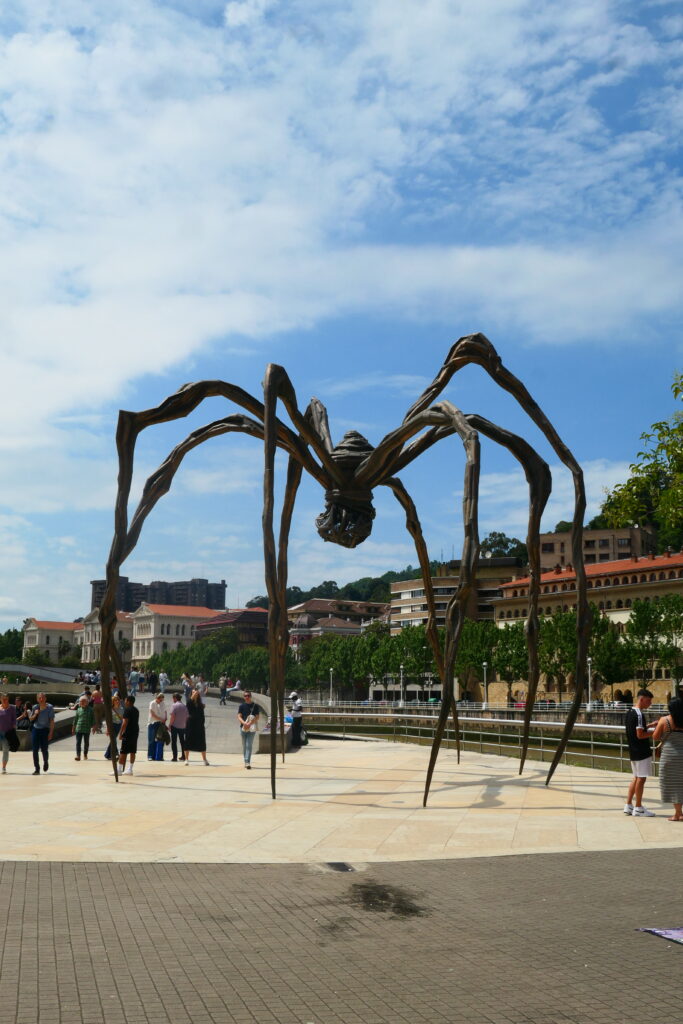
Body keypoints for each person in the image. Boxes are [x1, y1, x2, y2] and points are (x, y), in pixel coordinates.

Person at [624, 688, 658, 816]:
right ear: (641, 699)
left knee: (636, 777)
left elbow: (634, 730)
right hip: (641, 751)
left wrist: (648, 726)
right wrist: (655, 731)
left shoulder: (630, 712)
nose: (650, 704)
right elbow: (640, 734)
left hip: (633, 750)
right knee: (641, 778)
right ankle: (638, 807)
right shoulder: (639, 714)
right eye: (648, 701)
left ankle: (628, 805)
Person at [652, 697, 683, 822]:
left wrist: (657, 725)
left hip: (669, 756)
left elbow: (655, 737)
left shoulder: (665, 720)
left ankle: (678, 814)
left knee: (672, 784)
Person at [29, 693, 55, 775]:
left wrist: (51, 732)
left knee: (44, 749)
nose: (41, 699)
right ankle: (37, 768)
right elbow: (31, 719)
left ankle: (46, 762)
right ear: (37, 699)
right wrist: (36, 713)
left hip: (45, 730)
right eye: (39, 698)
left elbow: (51, 721)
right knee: (35, 750)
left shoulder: (50, 707)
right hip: (35, 730)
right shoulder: (35, 707)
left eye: (42, 698)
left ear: (45, 698)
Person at [185, 690, 209, 765]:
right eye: (193, 693)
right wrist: (195, 692)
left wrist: (202, 724)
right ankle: (186, 759)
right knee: (188, 740)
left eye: (195, 693)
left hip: (199, 725)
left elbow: (202, 715)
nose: (195, 694)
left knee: (202, 742)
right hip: (190, 724)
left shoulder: (200, 704)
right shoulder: (189, 703)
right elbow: (189, 702)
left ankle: (204, 759)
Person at [116, 695, 139, 775]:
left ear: (128, 701)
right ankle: (130, 769)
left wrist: (121, 733)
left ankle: (119, 770)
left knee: (123, 751)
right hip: (135, 731)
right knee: (133, 751)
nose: (124, 702)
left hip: (128, 732)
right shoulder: (136, 710)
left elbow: (125, 722)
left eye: (125, 701)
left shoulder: (127, 710)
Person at [237, 690, 259, 769]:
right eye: (245, 696)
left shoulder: (255, 706)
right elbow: (239, 716)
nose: (247, 697)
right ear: (243, 697)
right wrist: (244, 723)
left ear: (250, 696)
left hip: (251, 728)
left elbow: (257, 717)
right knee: (244, 746)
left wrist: (249, 723)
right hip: (243, 728)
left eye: (248, 696)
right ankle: (246, 760)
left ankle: (247, 762)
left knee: (248, 745)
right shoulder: (241, 706)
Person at [72, 695, 95, 761]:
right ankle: (78, 755)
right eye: (80, 701)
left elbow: (93, 719)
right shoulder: (78, 709)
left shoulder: (91, 710)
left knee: (86, 743)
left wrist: (94, 727)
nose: (81, 703)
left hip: (87, 729)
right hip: (79, 728)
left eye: (82, 701)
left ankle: (85, 754)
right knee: (78, 743)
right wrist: (73, 727)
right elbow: (75, 719)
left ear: (87, 702)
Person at [0, 693, 17, 774]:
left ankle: (3, 767)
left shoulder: (12, 708)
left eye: (6, 698)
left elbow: (14, 720)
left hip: (7, 733)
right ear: (0, 699)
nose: (4, 700)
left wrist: (13, 730)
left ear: (8, 699)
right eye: (3, 698)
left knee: (5, 750)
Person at [169, 692, 189, 763]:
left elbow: (173, 717)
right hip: (182, 726)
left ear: (175, 698)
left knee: (174, 742)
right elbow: (187, 717)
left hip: (175, 726)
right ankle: (183, 756)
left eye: (173, 698)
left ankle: (175, 757)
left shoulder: (174, 706)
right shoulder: (184, 706)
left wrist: (169, 725)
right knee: (182, 741)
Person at [147, 692, 168, 761]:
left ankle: (158, 756)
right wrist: (160, 719)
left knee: (160, 740)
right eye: (160, 699)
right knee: (151, 740)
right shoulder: (152, 703)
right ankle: (150, 755)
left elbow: (165, 711)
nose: (161, 701)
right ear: (157, 698)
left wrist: (165, 718)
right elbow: (152, 713)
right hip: (153, 723)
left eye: (162, 699)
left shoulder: (163, 703)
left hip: (161, 723)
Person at [103, 694, 124, 759]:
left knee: (113, 740)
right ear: (113, 701)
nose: (117, 701)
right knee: (113, 740)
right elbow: (108, 719)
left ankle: (107, 754)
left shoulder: (121, 708)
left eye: (118, 700)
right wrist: (107, 729)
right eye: (115, 700)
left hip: (118, 725)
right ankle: (116, 753)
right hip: (112, 725)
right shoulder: (111, 709)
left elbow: (122, 718)